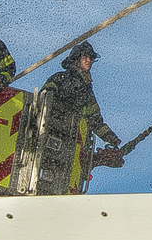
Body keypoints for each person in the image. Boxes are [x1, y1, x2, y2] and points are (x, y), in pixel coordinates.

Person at [40, 41, 123, 192]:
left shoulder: (87, 90)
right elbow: (44, 100)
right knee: (49, 173)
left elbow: (95, 120)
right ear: (75, 59)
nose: (89, 61)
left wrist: (112, 138)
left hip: (73, 142)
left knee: (68, 178)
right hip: (53, 136)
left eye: (91, 58)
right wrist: (58, 115)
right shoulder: (60, 79)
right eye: (85, 57)